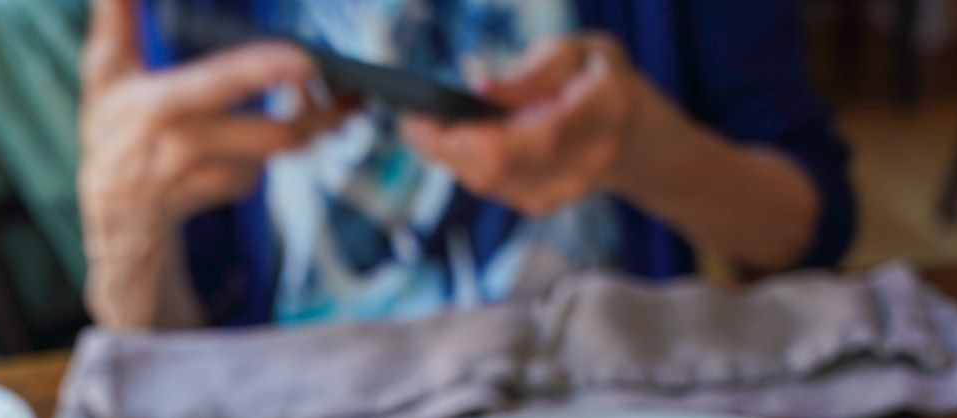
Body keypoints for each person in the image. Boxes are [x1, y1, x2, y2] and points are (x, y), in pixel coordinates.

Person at [78, 0, 855, 329]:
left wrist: (647, 152)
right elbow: (172, 346)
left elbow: (809, 227)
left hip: (614, 417)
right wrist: (124, 224)